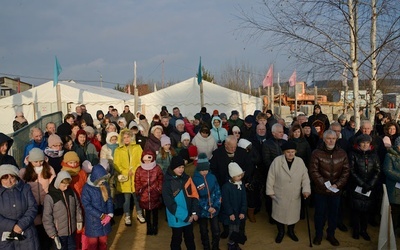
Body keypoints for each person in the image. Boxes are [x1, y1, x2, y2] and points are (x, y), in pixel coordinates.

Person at [309, 130, 350, 246]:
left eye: (333, 138)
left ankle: (331, 234)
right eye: (328, 138)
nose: (331, 140)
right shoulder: (316, 153)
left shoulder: (342, 153)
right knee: (320, 214)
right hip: (321, 190)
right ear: (324, 139)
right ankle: (318, 235)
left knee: (333, 214)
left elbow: (346, 171)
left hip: (336, 190)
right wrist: (325, 185)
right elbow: (313, 171)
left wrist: (337, 185)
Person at [266, 141, 311, 243]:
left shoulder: (300, 162)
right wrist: (270, 191)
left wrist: (306, 190)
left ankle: (291, 231)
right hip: (280, 194)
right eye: (288, 152)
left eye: (292, 152)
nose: (290, 154)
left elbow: (305, 178)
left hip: (294, 194)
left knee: (293, 215)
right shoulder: (277, 161)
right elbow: (270, 177)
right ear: (284, 152)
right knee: (279, 215)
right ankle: (281, 232)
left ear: (295, 152)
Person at [20, 148, 56, 249]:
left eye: (41, 161)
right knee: (36, 229)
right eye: (36, 161)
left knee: (47, 226)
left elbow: (52, 186)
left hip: (46, 203)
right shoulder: (24, 172)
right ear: (30, 161)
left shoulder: (49, 169)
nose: (39, 163)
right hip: (32, 204)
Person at [162, 156, 199, 250]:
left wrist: (194, 212)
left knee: (190, 239)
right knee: (176, 239)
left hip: (189, 217)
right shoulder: (167, 182)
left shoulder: (187, 179)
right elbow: (170, 204)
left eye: (183, 167)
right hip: (177, 219)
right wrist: (186, 217)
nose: (181, 170)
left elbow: (194, 195)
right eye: (179, 167)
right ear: (173, 167)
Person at [348, 134, 380, 241]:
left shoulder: (374, 155)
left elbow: (377, 170)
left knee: (366, 211)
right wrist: (362, 184)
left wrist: (370, 184)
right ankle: (356, 230)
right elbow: (351, 170)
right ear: (359, 143)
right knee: (356, 210)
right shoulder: (353, 154)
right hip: (357, 186)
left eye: (367, 142)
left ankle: (364, 230)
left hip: (369, 188)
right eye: (363, 142)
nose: (365, 145)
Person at [0, 164, 39, 249]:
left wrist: (21, 225)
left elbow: (33, 207)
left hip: (26, 234)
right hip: (5, 236)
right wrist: (12, 226)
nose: (9, 181)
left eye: (12, 177)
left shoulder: (25, 189)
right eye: (5, 178)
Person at [43, 171, 83, 250]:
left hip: (71, 231)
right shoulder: (50, 196)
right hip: (59, 233)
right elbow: (47, 217)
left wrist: (79, 220)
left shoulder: (71, 192)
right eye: (64, 185)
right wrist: (52, 233)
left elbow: (77, 206)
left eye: (68, 185)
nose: (66, 187)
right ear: (58, 182)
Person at [113, 129, 144, 226]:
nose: (126, 139)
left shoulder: (137, 147)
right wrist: (126, 172)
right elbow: (116, 164)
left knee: (137, 198)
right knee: (126, 199)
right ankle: (127, 215)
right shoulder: (118, 150)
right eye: (124, 137)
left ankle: (139, 214)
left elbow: (141, 160)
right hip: (125, 179)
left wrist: (134, 170)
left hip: (135, 177)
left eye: (128, 137)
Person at [192, 153, 222, 250]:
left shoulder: (212, 177)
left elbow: (218, 192)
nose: (204, 172)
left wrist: (216, 206)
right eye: (202, 170)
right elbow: (196, 197)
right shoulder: (194, 180)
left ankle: (215, 247)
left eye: (206, 169)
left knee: (216, 230)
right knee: (203, 230)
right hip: (202, 211)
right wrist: (207, 207)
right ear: (198, 169)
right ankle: (206, 246)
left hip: (214, 210)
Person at [81, 164, 113, 250]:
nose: (103, 181)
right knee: (93, 245)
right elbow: (87, 205)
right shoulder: (87, 188)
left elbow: (109, 199)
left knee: (103, 243)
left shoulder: (104, 185)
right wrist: (101, 215)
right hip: (92, 222)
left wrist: (110, 214)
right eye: (101, 179)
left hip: (104, 221)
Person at [135, 150, 164, 235]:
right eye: (145, 160)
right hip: (144, 195)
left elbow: (160, 180)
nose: (147, 162)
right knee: (147, 213)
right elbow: (137, 182)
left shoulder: (157, 168)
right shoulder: (139, 169)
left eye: (149, 159)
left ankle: (155, 226)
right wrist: (139, 191)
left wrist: (159, 189)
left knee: (155, 212)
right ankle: (149, 227)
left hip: (155, 194)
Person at [261, 123, 286, 223]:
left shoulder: (285, 142)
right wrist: (277, 170)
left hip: (285, 174)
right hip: (272, 175)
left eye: (282, 132)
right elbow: (266, 160)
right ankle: (271, 215)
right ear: (273, 133)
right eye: (279, 132)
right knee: (271, 197)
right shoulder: (267, 144)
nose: (282, 134)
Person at [220, 163, 247, 250]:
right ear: (232, 176)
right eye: (238, 176)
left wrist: (243, 211)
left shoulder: (241, 185)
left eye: (241, 175)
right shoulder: (226, 187)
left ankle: (235, 243)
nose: (240, 177)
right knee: (232, 230)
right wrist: (230, 213)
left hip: (239, 213)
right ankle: (231, 245)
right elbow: (226, 202)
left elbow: (244, 199)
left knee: (238, 229)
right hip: (231, 214)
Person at [383, 137, 400, 236]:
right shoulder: (390, 155)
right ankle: (391, 232)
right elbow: (388, 170)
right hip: (394, 188)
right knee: (395, 211)